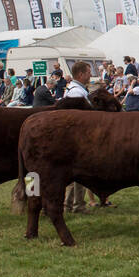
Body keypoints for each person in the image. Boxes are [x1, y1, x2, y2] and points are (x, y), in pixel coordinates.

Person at [61, 62, 92, 213]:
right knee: (78, 173)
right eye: (88, 72)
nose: (90, 75)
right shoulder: (76, 93)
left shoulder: (76, 89)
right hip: (77, 137)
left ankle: (72, 204)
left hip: (75, 136)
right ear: (80, 74)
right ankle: (75, 204)